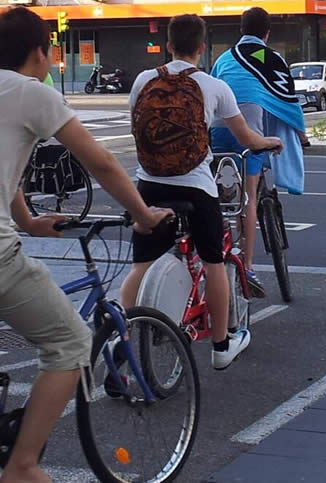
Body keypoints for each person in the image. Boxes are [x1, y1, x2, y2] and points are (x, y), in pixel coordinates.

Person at [0, 7, 172, 483]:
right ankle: (23, 466)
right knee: (70, 342)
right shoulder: (32, 92)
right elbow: (101, 164)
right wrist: (144, 215)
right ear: (42, 51)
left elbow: (6, 168)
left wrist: (29, 220)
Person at [120, 14, 283, 371]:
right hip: (195, 187)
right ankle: (222, 344)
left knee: (140, 266)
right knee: (214, 262)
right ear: (202, 47)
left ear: (168, 45)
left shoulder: (144, 80)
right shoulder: (213, 86)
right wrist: (269, 142)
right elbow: (246, 139)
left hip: (149, 184)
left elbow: (136, 126)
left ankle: (123, 340)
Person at [210, 7, 307, 297]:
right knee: (250, 198)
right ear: (267, 33)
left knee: (224, 198)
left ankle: (219, 244)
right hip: (250, 130)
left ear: (241, 30)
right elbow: (288, 99)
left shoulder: (225, 58)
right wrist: (301, 134)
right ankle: (248, 266)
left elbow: (214, 88)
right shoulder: (272, 58)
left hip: (219, 127)